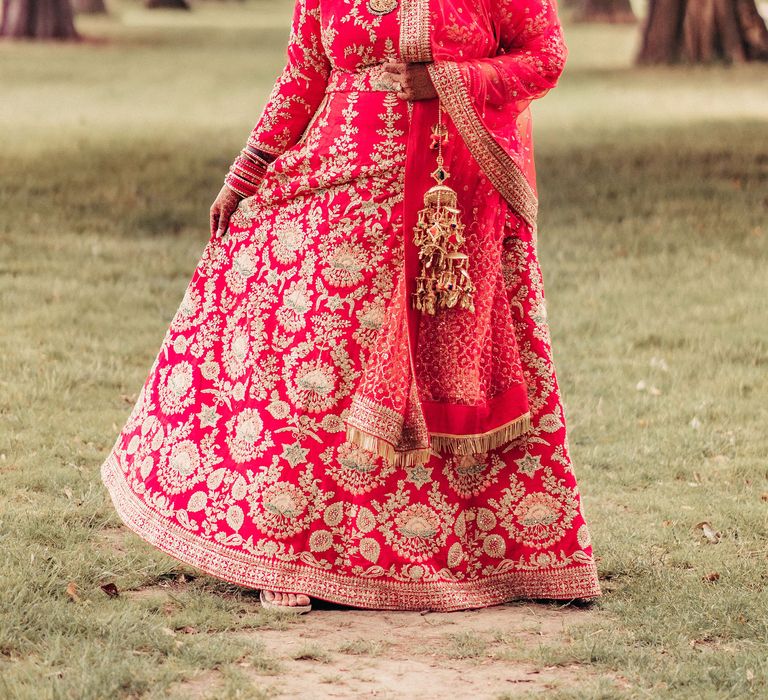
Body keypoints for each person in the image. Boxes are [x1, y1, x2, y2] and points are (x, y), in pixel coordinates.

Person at [101, 0, 602, 613]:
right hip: (333, 185)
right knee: (309, 363)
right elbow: (304, 75)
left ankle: (480, 556)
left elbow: (545, 56)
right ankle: (286, 552)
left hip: (446, 202)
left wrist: (455, 78)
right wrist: (245, 172)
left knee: (422, 384)